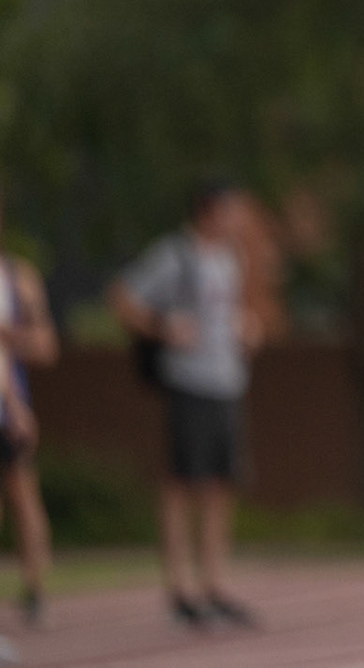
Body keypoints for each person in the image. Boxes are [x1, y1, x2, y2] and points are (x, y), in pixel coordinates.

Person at [109, 180, 262, 629]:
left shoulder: (232, 259)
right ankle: (179, 589)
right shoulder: (174, 254)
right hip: (189, 383)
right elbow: (122, 297)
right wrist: (163, 326)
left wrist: (246, 327)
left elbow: (230, 312)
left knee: (220, 483)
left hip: (226, 382)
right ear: (209, 211)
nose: (237, 221)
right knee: (181, 483)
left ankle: (214, 584)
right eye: (231, 211)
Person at [0, 190, 55, 627]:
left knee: (22, 493)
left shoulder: (19, 278)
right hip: (10, 401)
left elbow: (44, 346)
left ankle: (35, 588)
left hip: (8, 403)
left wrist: (11, 336)